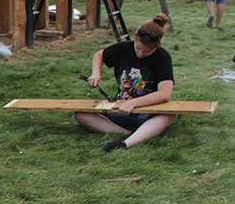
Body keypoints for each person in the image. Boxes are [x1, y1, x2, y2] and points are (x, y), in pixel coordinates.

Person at [74, 13, 176, 153]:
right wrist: (96, 73)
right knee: (81, 114)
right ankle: (126, 133)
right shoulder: (124, 48)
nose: (140, 54)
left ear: (157, 46)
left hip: (147, 110)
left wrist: (133, 103)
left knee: (168, 116)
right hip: (121, 108)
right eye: (138, 48)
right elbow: (99, 55)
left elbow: (165, 94)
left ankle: (124, 143)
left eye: (146, 52)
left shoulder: (162, 58)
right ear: (135, 37)